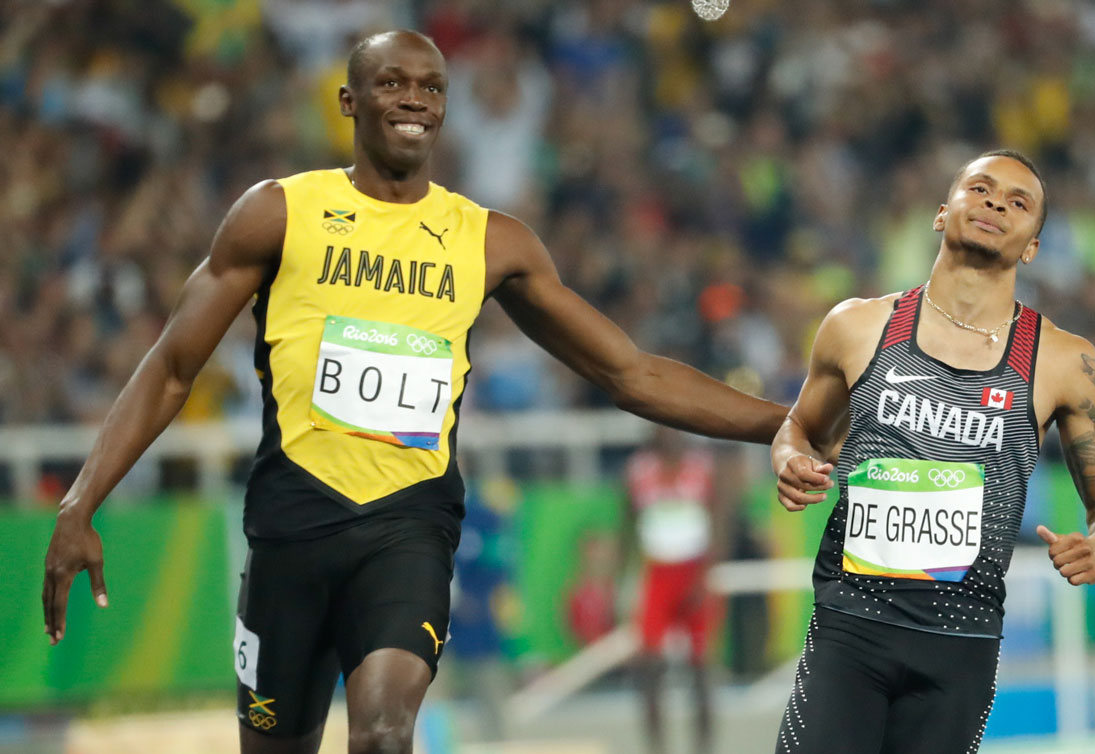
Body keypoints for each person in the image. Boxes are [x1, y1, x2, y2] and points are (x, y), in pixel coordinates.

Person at [40, 30, 787, 754]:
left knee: (385, 733)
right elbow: (172, 367)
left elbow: (630, 373)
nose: (415, 100)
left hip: (408, 530)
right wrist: (82, 501)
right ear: (348, 100)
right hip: (290, 526)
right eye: (392, 82)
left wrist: (784, 424)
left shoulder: (491, 241)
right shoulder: (280, 213)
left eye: (432, 87)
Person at [770, 150, 1095, 754]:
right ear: (943, 214)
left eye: (1018, 203)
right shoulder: (857, 327)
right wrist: (789, 459)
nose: (995, 203)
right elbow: (797, 429)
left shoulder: (1063, 360)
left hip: (960, 647)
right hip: (851, 629)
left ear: (1032, 248)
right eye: (981, 189)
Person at [622, 425, 726, 754]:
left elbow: (719, 520)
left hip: (694, 570)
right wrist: (624, 578)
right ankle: (656, 747)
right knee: (649, 666)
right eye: (659, 427)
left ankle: (704, 746)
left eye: (672, 428)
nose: (666, 434)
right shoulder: (638, 470)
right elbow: (627, 522)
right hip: (657, 572)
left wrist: (706, 572)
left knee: (700, 667)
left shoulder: (701, 467)